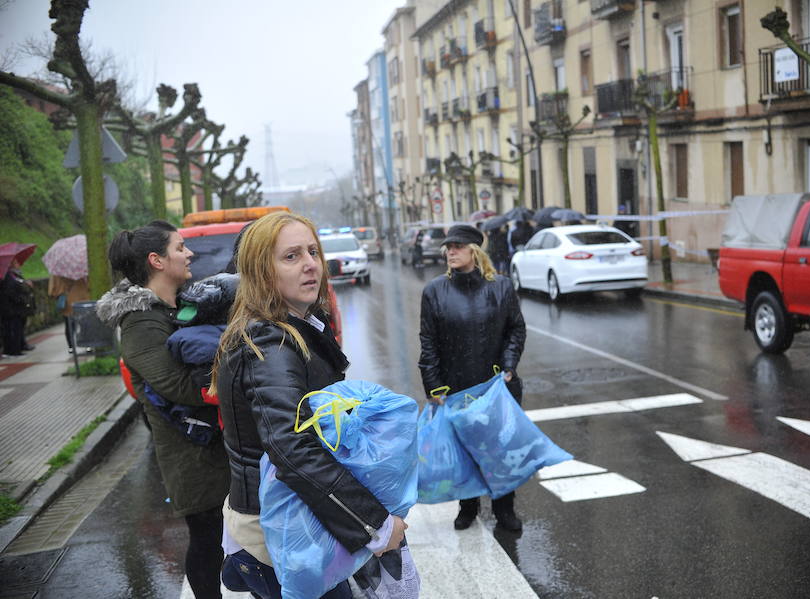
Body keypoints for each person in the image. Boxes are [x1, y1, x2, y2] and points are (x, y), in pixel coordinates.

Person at [210, 212, 407, 599]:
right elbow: (293, 447)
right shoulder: (272, 344)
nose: (310, 264)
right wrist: (374, 525)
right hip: (281, 530)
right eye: (291, 256)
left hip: (289, 519)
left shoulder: (294, 326)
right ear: (261, 272)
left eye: (312, 251)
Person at [96, 220, 229, 599]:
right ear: (156, 260)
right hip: (192, 455)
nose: (190, 254)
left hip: (216, 442)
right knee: (207, 539)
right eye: (180, 247)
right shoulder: (140, 323)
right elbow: (183, 387)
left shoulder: (182, 304)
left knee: (228, 535)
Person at [418, 224, 527, 532]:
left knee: (500, 450)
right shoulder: (434, 291)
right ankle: (468, 506)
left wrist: (508, 365)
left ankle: (505, 508)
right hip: (456, 387)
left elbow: (516, 329)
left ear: (474, 251)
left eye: (457, 246)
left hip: (497, 386)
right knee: (463, 451)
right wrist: (433, 384)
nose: (450, 251)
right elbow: (429, 342)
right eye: (447, 247)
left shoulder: (501, 287)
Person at [0, 259, 35, 356]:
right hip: (10, 308)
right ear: (10, 264)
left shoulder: (14, 274)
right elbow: (10, 290)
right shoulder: (6, 276)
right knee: (12, 329)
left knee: (18, 328)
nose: (19, 264)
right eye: (16, 262)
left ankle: (19, 347)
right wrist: (20, 298)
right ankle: (13, 351)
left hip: (16, 308)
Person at [48, 274, 90, 353]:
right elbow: (88, 285)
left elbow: (52, 291)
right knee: (84, 324)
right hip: (82, 301)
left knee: (69, 326)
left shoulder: (57, 272)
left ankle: (71, 346)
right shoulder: (80, 270)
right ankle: (87, 344)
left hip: (68, 303)